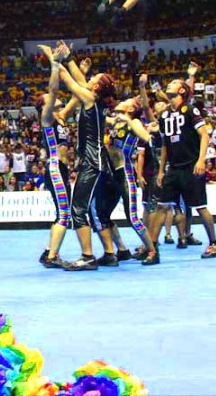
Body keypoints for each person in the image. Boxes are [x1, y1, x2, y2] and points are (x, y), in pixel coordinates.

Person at [52, 45, 119, 271]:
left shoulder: (89, 98)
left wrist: (55, 60)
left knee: (78, 210)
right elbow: (80, 80)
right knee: (92, 210)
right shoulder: (93, 98)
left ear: (96, 86)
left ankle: (87, 256)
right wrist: (69, 58)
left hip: (92, 162)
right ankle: (109, 254)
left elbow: (70, 81)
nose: (90, 78)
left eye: (94, 78)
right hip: (95, 161)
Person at [151, 79, 216, 258]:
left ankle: (214, 243)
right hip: (173, 168)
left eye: (174, 82)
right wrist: (161, 170)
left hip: (191, 166)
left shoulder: (190, 110)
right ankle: (152, 249)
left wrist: (201, 160)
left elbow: (204, 135)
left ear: (181, 90)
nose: (170, 83)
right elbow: (165, 145)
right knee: (161, 206)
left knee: (200, 207)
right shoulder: (164, 115)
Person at [105, 98, 160, 265]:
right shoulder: (116, 121)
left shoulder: (133, 122)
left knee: (132, 217)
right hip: (111, 174)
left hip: (125, 173)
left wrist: (128, 120)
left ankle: (152, 251)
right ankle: (122, 250)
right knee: (103, 215)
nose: (121, 102)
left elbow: (146, 137)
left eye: (126, 101)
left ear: (130, 109)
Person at [36, 45, 74, 267]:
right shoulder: (47, 118)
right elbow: (53, 90)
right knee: (64, 214)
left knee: (61, 212)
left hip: (62, 169)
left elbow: (78, 97)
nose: (51, 97)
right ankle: (52, 257)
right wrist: (54, 64)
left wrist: (73, 66)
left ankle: (48, 251)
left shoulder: (60, 116)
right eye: (47, 98)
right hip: (55, 168)